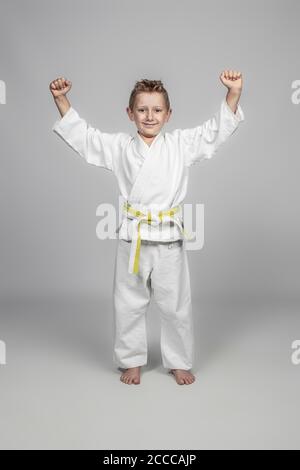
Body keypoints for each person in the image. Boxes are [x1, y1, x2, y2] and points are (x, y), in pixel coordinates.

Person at [49, 71, 245, 385]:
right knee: (128, 303)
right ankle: (131, 361)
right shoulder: (119, 147)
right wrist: (61, 99)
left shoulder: (181, 144)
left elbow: (214, 132)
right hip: (134, 236)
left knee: (176, 305)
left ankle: (179, 361)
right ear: (130, 114)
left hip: (169, 238)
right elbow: (86, 139)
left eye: (156, 110)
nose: (149, 116)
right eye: (142, 110)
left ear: (169, 115)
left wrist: (233, 93)